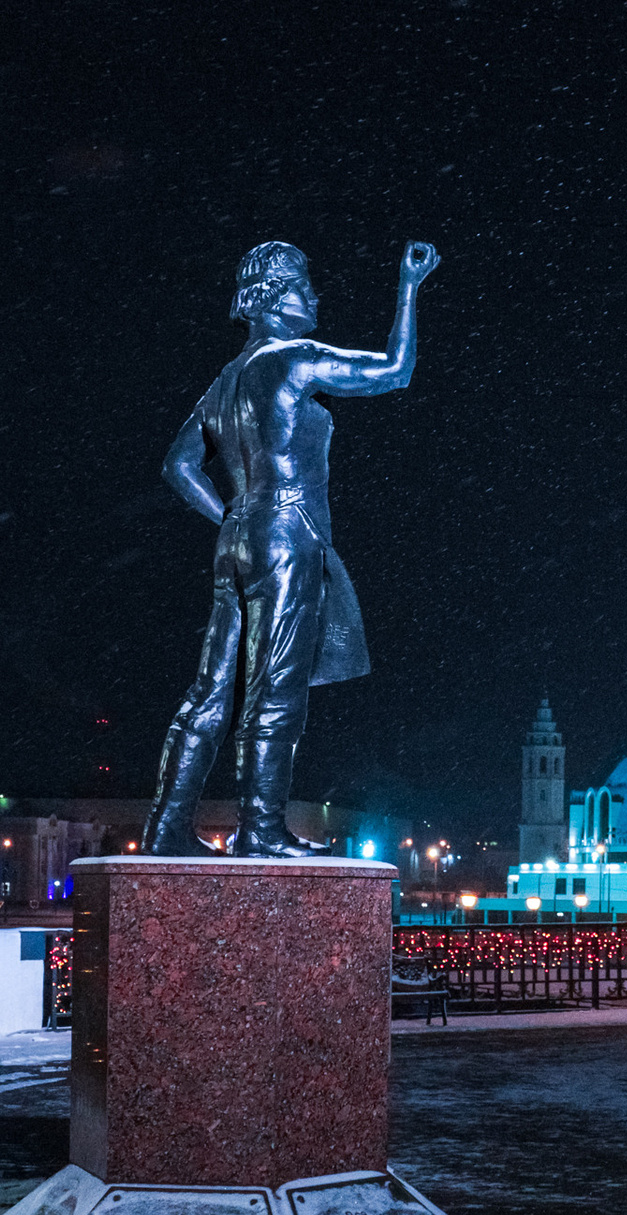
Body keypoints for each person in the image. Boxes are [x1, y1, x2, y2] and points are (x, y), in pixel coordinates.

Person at [142, 239, 441, 857]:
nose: (315, 296)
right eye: (305, 285)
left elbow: (178, 465)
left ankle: (166, 828)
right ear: (273, 298)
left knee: (210, 689)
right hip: (287, 536)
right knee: (276, 688)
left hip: (238, 540)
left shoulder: (226, 381)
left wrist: (234, 514)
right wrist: (409, 287)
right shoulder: (294, 359)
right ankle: (262, 831)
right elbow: (394, 370)